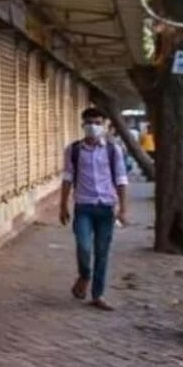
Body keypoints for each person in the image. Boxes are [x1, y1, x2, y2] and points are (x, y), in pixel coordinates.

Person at [59, 107, 129, 311]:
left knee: (101, 251)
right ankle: (85, 276)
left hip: (106, 208)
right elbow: (67, 178)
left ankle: (98, 295)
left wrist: (123, 209)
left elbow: (121, 179)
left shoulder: (113, 150)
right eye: (89, 122)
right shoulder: (74, 150)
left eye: (98, 123)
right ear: (83, 124)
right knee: (83, 246)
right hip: (84, 207)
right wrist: (63, 205)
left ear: (105, 125)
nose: (93, 126)